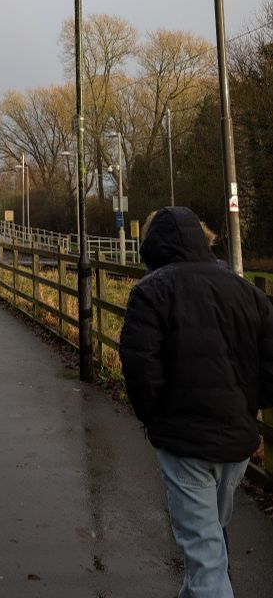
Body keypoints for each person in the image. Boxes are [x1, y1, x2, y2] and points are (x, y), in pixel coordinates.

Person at [119, 205, 273, 598]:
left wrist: (157, 421)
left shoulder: (150, 292)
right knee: (210, 542)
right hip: (236, 443)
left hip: (184, 445)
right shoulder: (246, 292)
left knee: (205, 556)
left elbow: (139, 369)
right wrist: (249, 406)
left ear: (151, 245)